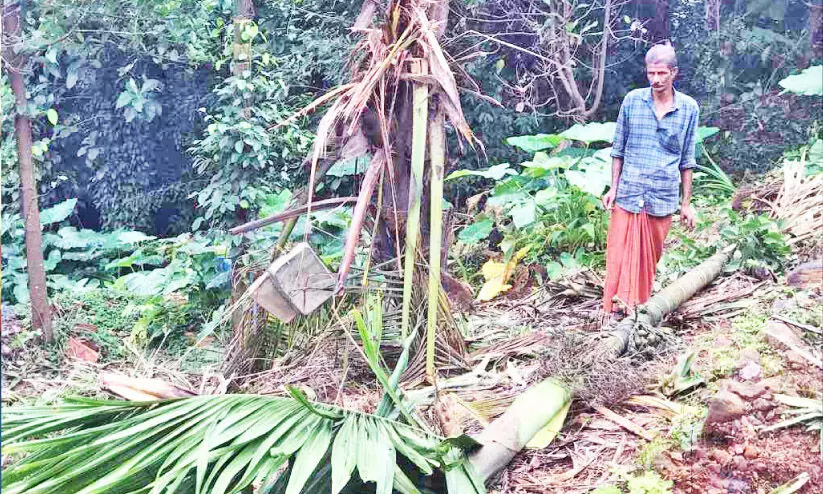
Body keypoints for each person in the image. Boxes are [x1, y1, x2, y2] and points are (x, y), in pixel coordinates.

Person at [601, 43, 699, 317]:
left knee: (647, 260)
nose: (655, 80)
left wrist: (686, 203)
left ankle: (636, 312)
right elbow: (618, 149)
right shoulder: (633, 101)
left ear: (674, 73)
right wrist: (614, 187)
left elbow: (687, 159)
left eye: (661, 73)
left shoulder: (689, 109)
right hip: (629, 194)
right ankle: (614, 312)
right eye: (651, 73)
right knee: (618, 257)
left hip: (662, 197)